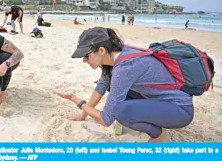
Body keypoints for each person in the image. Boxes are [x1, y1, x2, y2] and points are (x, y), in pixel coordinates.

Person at [57, 27, 194, 142]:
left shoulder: (124, 67)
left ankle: (157, 134)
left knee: (121, 112)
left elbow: (105, 120)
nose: (84, 61)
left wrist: (76, 100)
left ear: (101, 50)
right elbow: (101, 87)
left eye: (86, 56)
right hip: (160, 100)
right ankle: (148, 117)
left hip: (180, 111)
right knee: (112, 91)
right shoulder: (116, 55)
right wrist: (83, 116)